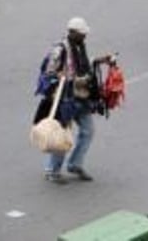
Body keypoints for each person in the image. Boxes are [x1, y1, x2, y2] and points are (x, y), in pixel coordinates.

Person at [37, 16, 112, 183]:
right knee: (61, 136)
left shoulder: (79, 47)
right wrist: (66, 77)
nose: (85, 37)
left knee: (88, 131)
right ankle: (52, 170)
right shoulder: (59, 50)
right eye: (82, 34)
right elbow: (49, 73)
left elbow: (82, 65)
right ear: (72, 33)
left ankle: (74, 164)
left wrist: (100, 60)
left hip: (82, 97)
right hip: (65, 99)